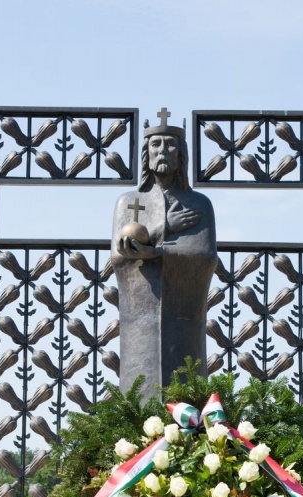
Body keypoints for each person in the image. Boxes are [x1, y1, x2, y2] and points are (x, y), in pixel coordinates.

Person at [111, 109, 218, 399]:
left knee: (185, 380)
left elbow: (205, 256)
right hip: (139, 314)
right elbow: (119, 256)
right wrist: (165, 227)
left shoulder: (198, 203)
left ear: (181, 153)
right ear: (146, 153)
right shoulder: (129, 201)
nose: (163, 150)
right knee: (139, 386)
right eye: (156, 144)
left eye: (170, 144)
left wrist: (155, 253)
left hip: (184, 314)